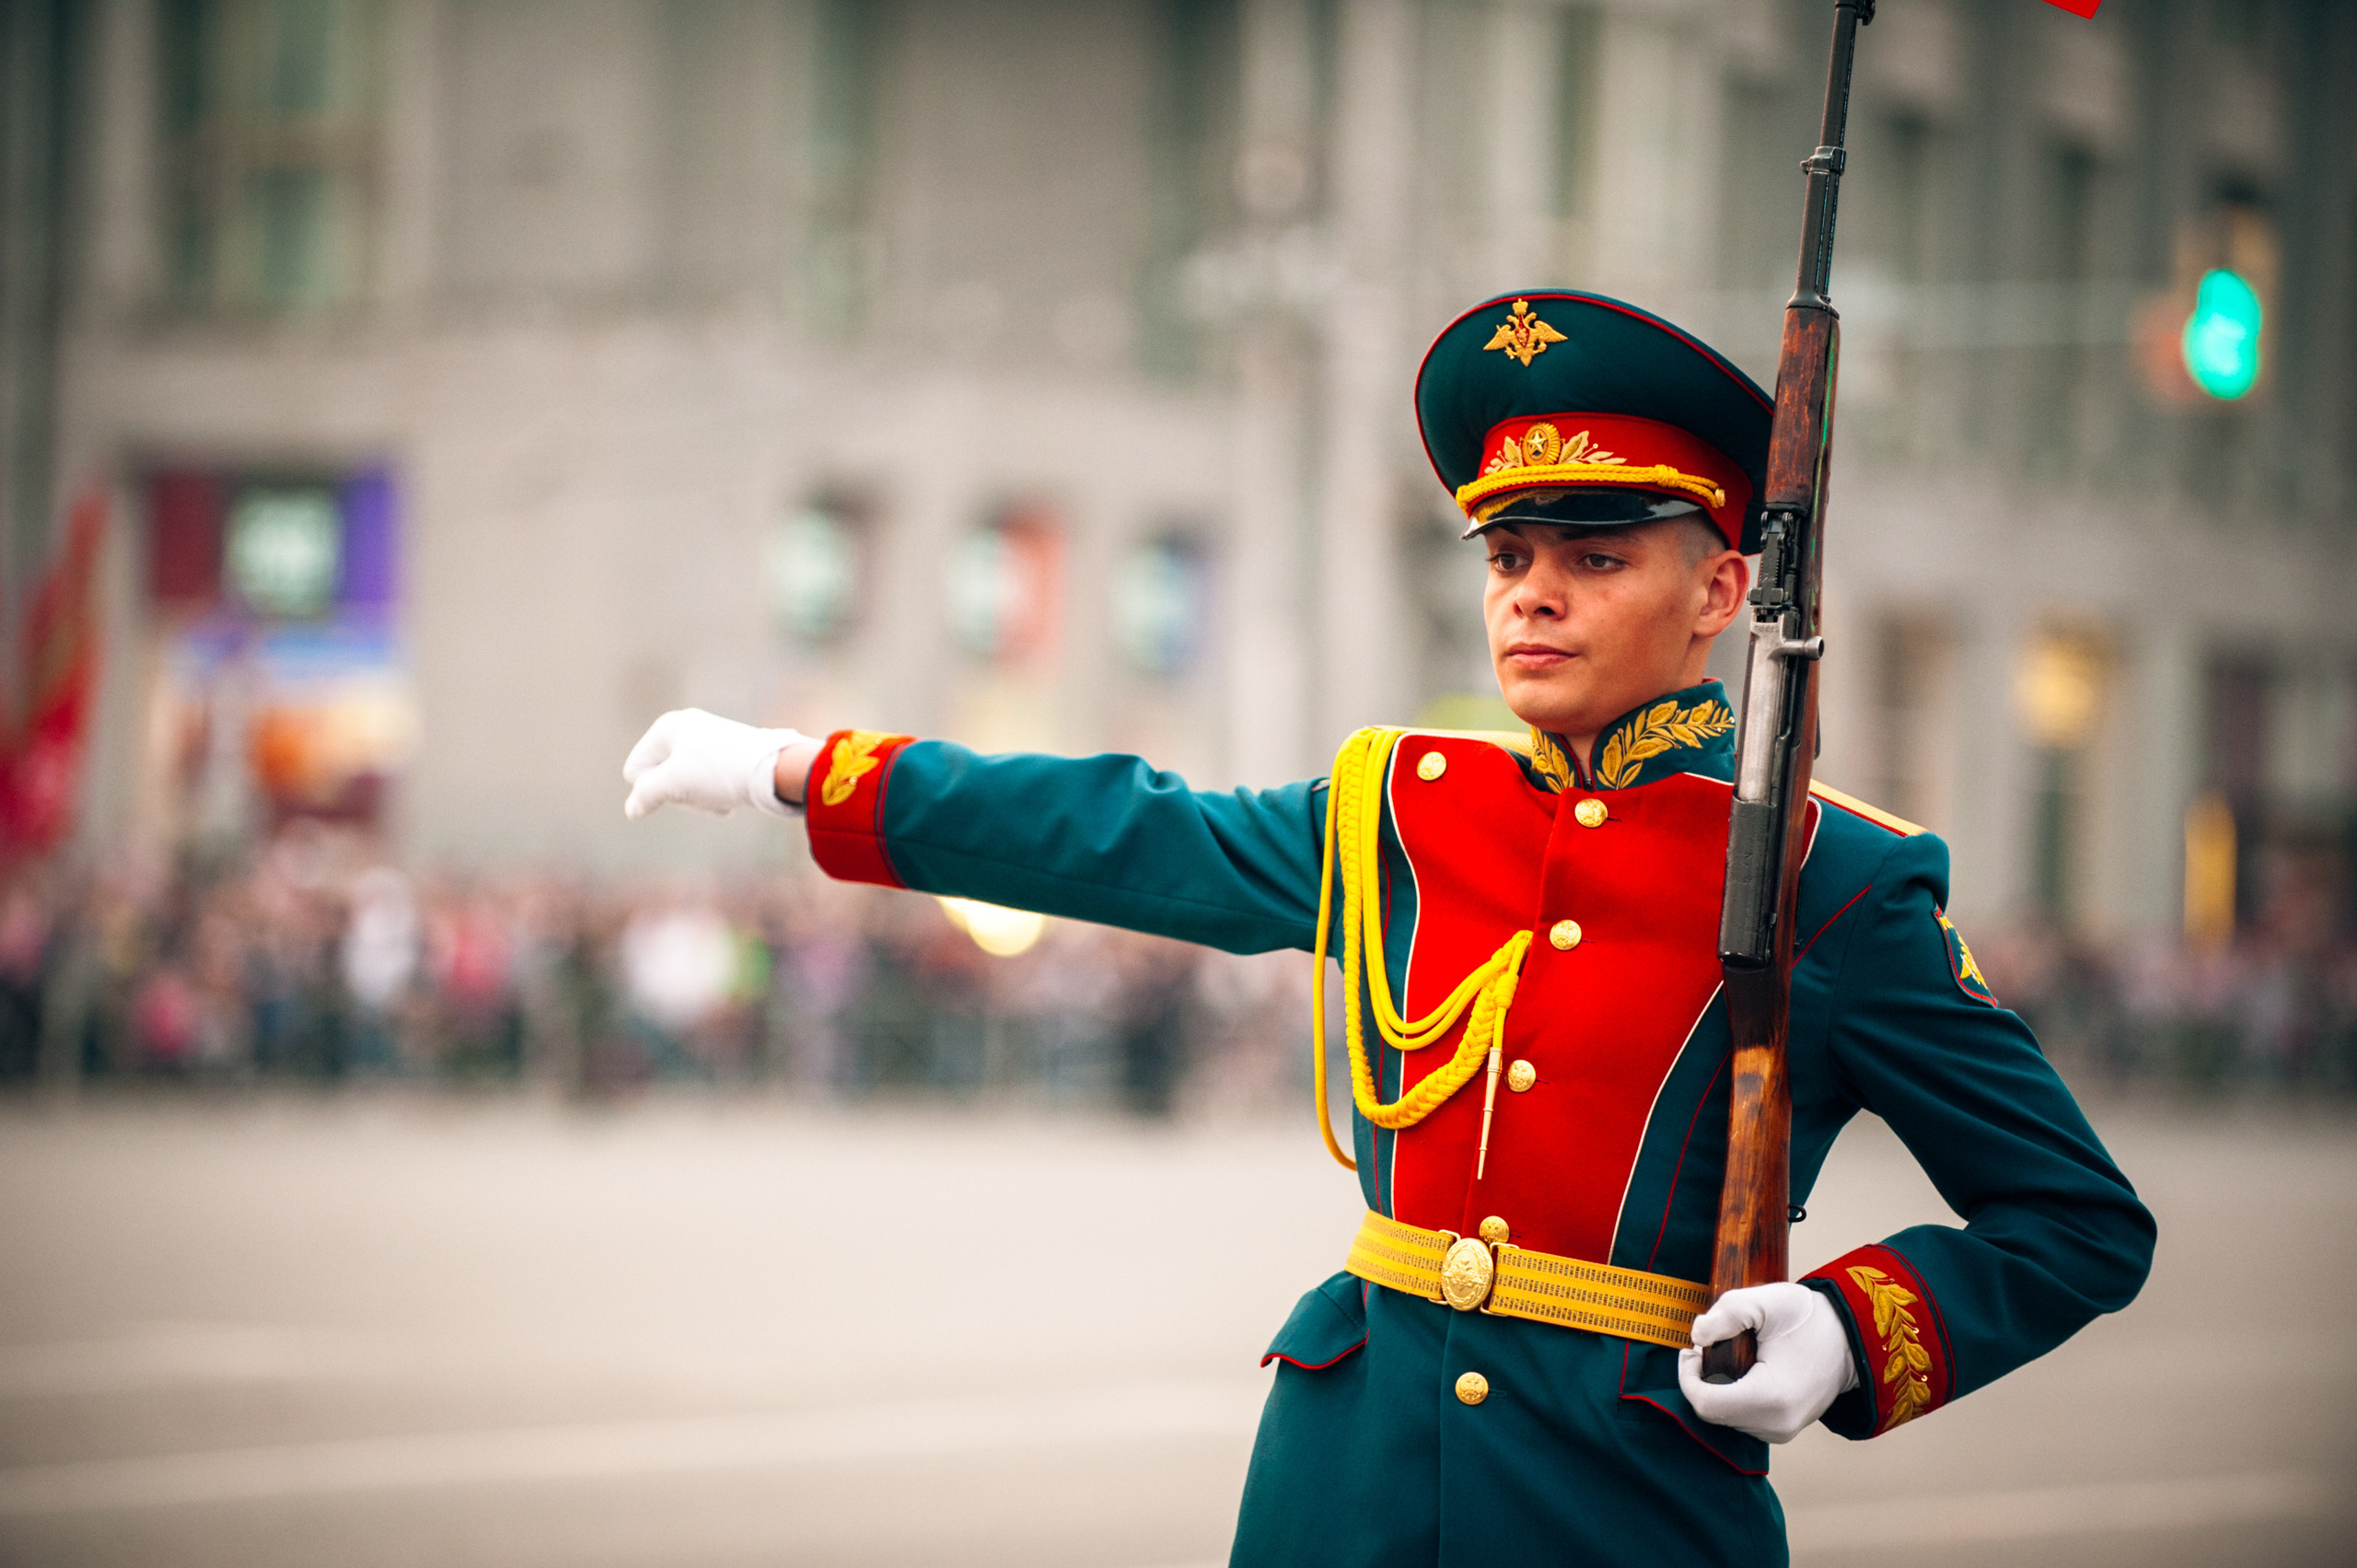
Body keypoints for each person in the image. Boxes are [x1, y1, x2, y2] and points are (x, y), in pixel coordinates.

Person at [621, 290, 2154, 1566]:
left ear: (1722, 589)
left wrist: (1842, 1335)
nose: (1531, 599)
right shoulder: (1399, 809)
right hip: (1337, 1485)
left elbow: (2077, 1220)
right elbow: (1123, 829)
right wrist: (801, 766)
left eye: (1595, 557)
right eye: (1507, 558)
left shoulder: (1833, 876)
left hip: (1616, 1505)